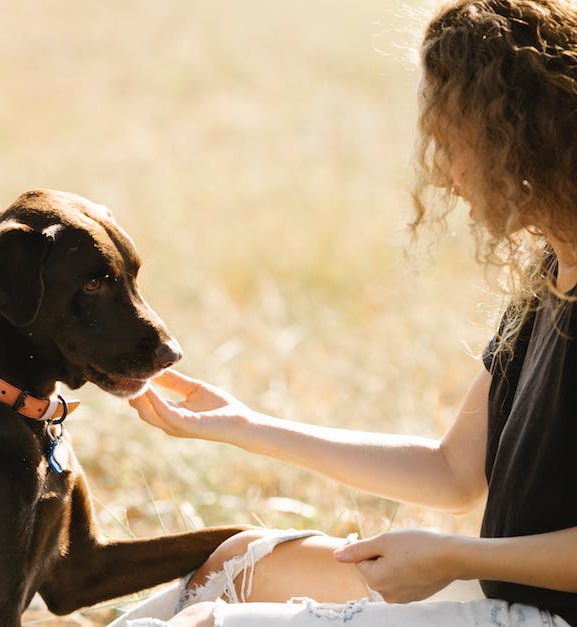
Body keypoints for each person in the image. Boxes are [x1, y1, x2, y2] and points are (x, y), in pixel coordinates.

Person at [115, 1, 577, 625]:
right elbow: (452, 472)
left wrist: (459, 557)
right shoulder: (549, 271)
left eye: (457, 143)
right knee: (240, 563)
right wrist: (248, 426)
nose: (442, 176)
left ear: (525, 136)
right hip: (507, 600)